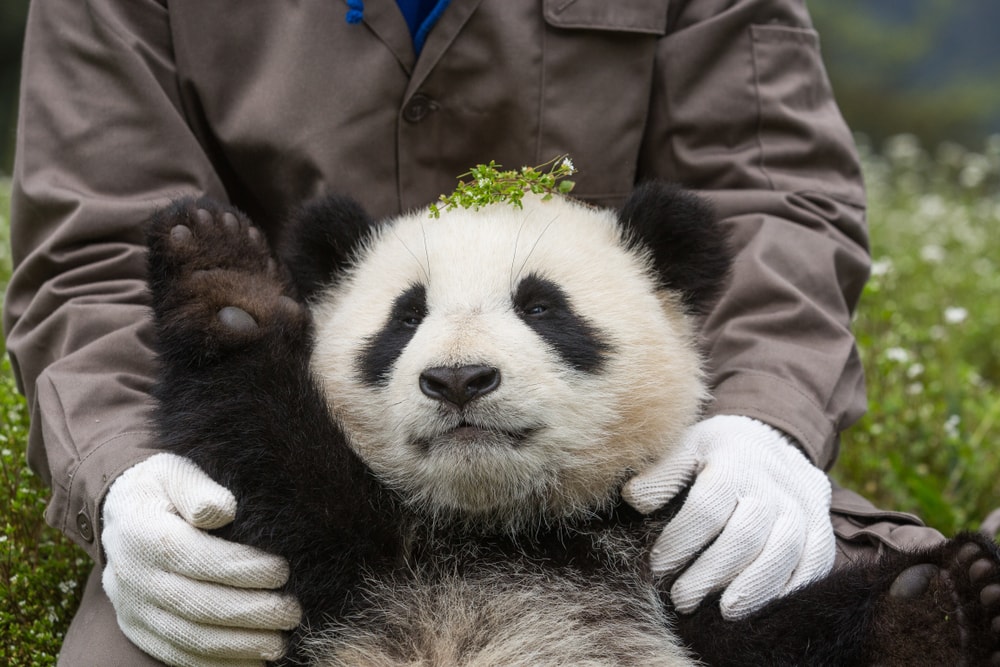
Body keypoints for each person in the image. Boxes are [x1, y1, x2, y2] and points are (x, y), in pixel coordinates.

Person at [3, 1, 948, 665]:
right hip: (301, 464)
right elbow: (93, 249)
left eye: (537, 310)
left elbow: (771, 197)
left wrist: (764, 419)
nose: (455, 361)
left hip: (650, 470)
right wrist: (125, 471)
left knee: (881, 607)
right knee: (188, 625)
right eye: (415, 322)